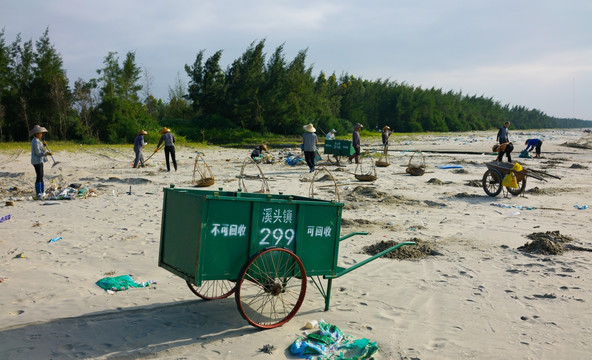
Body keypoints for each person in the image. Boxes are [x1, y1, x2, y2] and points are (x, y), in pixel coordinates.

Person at [29, 125, 51, 200]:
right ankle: (38, 192)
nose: (41, 134)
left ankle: (42, 191)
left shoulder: (38, 141)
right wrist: (46, 153)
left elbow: (41, 149)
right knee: (39, 175)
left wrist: (44, 146)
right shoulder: (35, 141)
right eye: (40, 133)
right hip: (36, 161)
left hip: (40, 160)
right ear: (36, 134)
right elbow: (38, 153)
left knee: (41, 175)